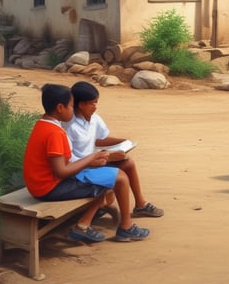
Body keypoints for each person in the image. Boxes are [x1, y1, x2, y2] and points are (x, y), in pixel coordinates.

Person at [23, 84, 150, 243]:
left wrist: (94, 159)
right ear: (60, 108)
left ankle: (83, 225)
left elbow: (62, 165)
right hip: (49, 188)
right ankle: (125, 227)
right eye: (71, 106)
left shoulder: (43, 125)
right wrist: (91, 159)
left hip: (41, 185)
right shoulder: (55, 133)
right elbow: (61, 171)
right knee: (119, 178)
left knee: (109, 175)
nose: (72, 109)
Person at [66, 81, 164, 219]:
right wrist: (105, 157)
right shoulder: (69, 125)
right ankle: (126, 224)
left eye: (96, 103)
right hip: (81, 167)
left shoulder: (94, 118)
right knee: (120, 177)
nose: (95, 107)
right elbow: (69, 160)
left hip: (94, 161)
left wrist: (123, 142)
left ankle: (140, 204)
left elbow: (100, 139)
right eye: (93, 103)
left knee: (128, 163)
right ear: (81, 105)